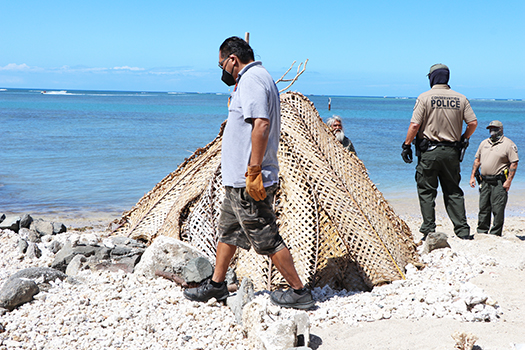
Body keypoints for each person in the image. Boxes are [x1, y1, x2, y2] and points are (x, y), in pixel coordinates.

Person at [183, 36, 314, 310]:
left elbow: (262, 124)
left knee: (265, 235)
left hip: (248, 179)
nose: (222, 71)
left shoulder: (253, 79)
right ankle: (217, 287)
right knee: (228, 232)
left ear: (233, 59)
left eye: (222, 65)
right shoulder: (253, 79)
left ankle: (298, 291)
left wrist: (254, 168)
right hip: (236, 181)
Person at [401, 63, 478, 240]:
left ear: (432, 78)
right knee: (453, 190)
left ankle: (429, 230)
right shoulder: (460, 98)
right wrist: (463, 138)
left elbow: (415, 125)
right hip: (452, 152)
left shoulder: (425, 97)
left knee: (427, 190)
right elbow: (473, 123)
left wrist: (406, 145)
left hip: (429, 152)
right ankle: (462, 231)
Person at [469, 120, 518, 236]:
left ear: (501, 129)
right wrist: (472, 176)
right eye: (490, 128)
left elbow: (514, 163)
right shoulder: (484, 143)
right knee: (483, 207)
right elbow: (477, 160)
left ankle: (495, 233)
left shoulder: (508, 144)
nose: (492, 131)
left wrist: (509, 181)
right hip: (484, 181)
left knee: (498, 208)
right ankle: (482, 232)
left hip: (499, 182)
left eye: (495, 128)